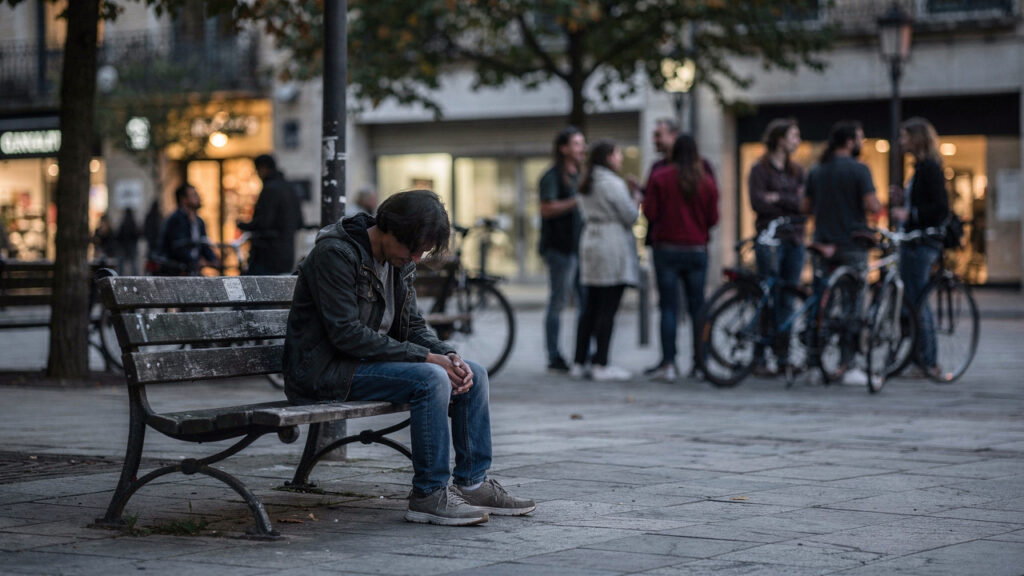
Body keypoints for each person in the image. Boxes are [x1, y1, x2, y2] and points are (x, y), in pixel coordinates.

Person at [283, 190, 535, 526]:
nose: (416, 258)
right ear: (387, 228)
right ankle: (428, 494)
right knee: (431, 378)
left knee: (472, 372)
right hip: (323, 370)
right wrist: (427, 359)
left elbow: (413, 325)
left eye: (424, 251)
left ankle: (472, 483)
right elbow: (346, 335)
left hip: (360, 364)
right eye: (412, 249)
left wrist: (447, 354)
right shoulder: (336, 254)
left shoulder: (399, 263)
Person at [802, 120, 882, 385]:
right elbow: (872, 205)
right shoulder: (860, 170)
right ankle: (849, 364)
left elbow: (805, 206)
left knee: (819, 302)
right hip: (851, 245)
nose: (862, 143)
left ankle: (813, 363)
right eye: (859, 138)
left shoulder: (817, 170)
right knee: (853, 306)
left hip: (823, 244)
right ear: (849, 141)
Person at [643, 134, 720, 381]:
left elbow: (650, 211)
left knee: (669, 308)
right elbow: (714, 218)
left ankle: (669, 364)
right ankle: (700, 363)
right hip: (696, 249)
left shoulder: (660, 177)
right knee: (698, 307)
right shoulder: (706, 181)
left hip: (666, 248)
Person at [571, 140, 640, 382]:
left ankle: (579, 362)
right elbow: (630, 216)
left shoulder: (586, 181)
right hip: (611, 244)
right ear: (609, 157)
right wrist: (637, 196)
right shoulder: (612, 183)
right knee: (608, 308)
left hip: (590, 241)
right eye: (618, 154)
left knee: (589, 307)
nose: (620, 158)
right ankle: (601, 363)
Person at [891, 117, 949, 378]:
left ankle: (928, 361)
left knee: (918, 301)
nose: (901, 142)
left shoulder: (930, 168)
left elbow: (940, 209)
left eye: (904, 136)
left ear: (917, 138)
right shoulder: (920, 168)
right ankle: (919, 359)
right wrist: (904, 199)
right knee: (913, 301)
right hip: (914, 241)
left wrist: (909, 214)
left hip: (922, 242)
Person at [747, 118, 806, 373]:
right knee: (767, 296)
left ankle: (783, 358)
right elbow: (758, 203)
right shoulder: (759, 169)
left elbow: (803, 205)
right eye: (794, 136)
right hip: (770, 240)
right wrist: (789, 201)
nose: (797, 141)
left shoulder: (797, 171)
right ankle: (759, 356)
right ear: (780, 139)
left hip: (794, 239)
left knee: (788, 299)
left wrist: (779, 197)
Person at [538, 126, 587, 373]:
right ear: (564, 148)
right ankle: (554, 356)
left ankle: (582, 353)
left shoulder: (579, 175)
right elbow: (545, 209)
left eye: (582, 144)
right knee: (558, 302)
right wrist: (575, 201)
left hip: (580, 249)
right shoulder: (552, 176)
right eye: (577, 144)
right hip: (560, 249)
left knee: (584, 300)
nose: (582, 149)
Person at [237, 154, 302, 275]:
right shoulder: (290, 188)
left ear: (263, 168)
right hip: (287, 252)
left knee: (255, 289)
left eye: (257, 170)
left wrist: (243, 225)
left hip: (266, 254)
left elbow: (264, 222)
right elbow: (299, 222)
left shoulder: (269, 189)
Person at [158, 183, 219, 276]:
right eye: (193, 195)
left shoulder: (199, 221)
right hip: (176, 271)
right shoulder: (175, 220)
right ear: (183, 199)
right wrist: (196, 261)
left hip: (192, 269)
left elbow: (203, 244)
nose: (198, 197)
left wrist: (214, 260)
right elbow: (178, 247)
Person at [116, 207, 141, 276]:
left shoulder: (123, 223)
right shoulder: (133, 223)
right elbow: (137, 234)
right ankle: (135, 277)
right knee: (133, 264)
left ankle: (119, 276)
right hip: (132, 246)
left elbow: (118, 235)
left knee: (121, 264)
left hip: (123, 246)